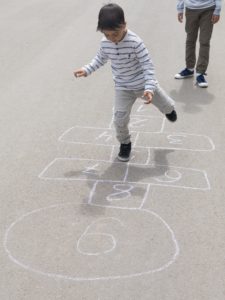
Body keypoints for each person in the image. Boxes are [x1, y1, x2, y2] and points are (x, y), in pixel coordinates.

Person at [74, 3, 177, 162]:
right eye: (107, 35)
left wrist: (149, 88)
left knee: (167, 106)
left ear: (124, 25)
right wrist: (87, 69)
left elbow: (148, 66)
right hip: (122, 88)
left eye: (115, 34)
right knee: (119, 119)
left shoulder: (135, 42)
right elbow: (100, 58)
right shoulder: (105, 42)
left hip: (144, 85)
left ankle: (169, 110)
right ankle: (125, 143)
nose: (112, 39)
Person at [175, 0, 222, 88]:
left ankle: (200, 73)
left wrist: (217, 10)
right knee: (190, 40)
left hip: (208, 9)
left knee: (204, 41)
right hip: (190, 9)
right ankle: (189, 68)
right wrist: (180, 8)